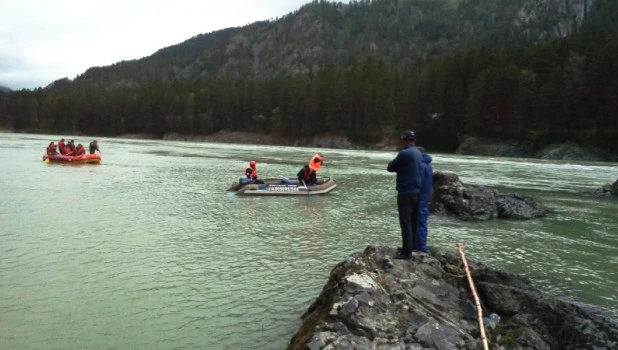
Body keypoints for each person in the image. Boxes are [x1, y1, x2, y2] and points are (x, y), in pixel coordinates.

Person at [387, 130, 423, 260]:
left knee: (405, 222)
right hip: (417, 192)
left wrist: (399, 169)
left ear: (404, 139)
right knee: (413, 221)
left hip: (405, 192)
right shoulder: (418, 152)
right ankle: (412, 247)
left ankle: (406, 253)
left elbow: (390, 167)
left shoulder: (404, 153)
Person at [416, 146, 433, 253]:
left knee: (418, 222)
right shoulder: (428, 165)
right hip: (425, 198)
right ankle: (421, 245)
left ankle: (420, 246)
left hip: (418, 197)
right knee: (422, 223)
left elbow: (417, 182)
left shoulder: (420, 166)